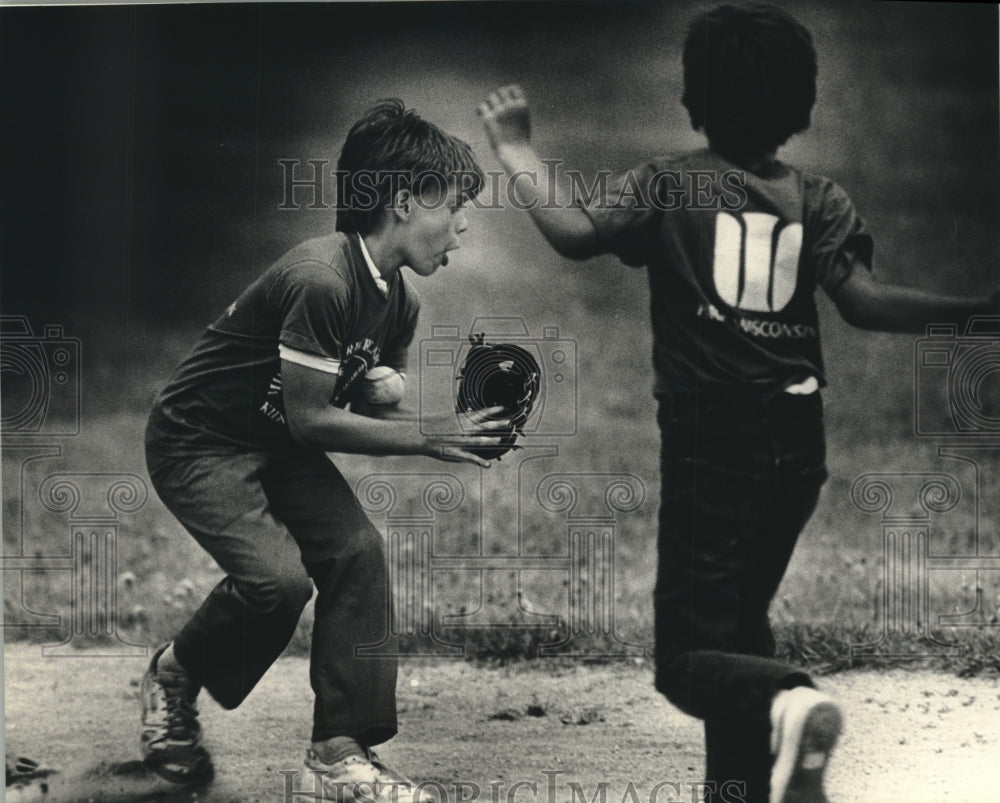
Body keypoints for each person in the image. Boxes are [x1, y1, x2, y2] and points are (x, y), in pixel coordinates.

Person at [478, 5, 999, 802]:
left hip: (712, 441)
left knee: (687, 659)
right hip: (798, 443)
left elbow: (576, 231)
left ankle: (793, 701)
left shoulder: (667, 182)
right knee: (737, 627)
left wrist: (515, 146)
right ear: (803, 106)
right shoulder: (820, 198)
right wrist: (975, 311)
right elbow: (863, 302)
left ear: (693, 101)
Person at [142, 99, 509, 801]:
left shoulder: (397, 299)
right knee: (277, 582)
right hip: (201, 440)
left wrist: (454, 421)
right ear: (402, 201)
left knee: (356, 551)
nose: (462, 222)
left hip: (272, 439)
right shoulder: (321, 278)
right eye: (454, 203)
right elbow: (313, 419)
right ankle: (175, 673)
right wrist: (431, 435)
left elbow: (363, 398)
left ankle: (339, 753)